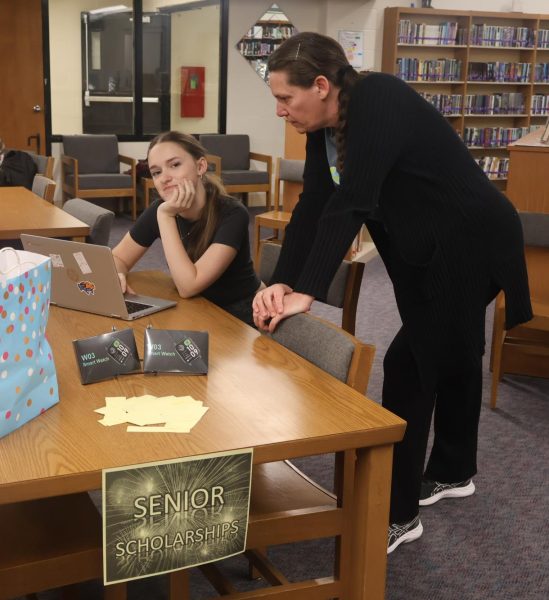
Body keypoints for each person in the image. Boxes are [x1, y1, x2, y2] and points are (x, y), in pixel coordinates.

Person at [252, 32, 533, 553]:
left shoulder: (378, 97)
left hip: (470, 240)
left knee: (410, 363)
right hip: (420, 244)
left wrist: (307, 292)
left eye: (285, 98)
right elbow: (315, 204)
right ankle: (453, 469)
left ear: (321, 84)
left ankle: (397, 513)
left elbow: (352, 201)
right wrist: (280, 282)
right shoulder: (323, 125)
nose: (279, 111)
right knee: (453, 348)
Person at [112, 131, 261, 327]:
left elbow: (189, 286)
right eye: (156, 172)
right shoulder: (159, 210)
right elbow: (119, 258)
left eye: (174, 165)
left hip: (235, 318)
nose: (164, 178)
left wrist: (166, 217)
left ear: (200, 166)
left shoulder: (232, 213)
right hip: (193, 309)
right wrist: (117, 273)